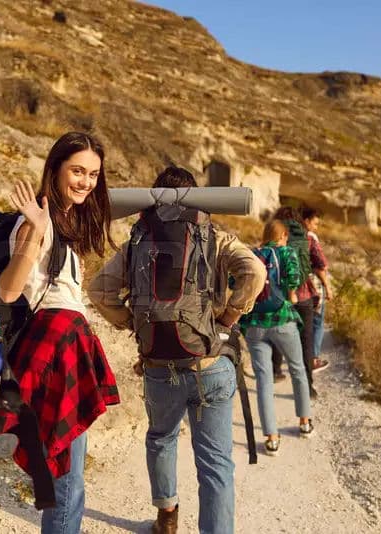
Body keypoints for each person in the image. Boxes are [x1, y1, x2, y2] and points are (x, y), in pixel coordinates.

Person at [89, 166, 266, 534]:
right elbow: (255, 272)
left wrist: (133, 323)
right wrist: (230, 315)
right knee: (215, 464)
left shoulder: (138, 241)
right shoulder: (214, 236)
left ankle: (167, 517)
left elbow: (99, 291)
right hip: (211, 363)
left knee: (161, 439)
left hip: (158, 366)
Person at [0, 131, 120, 534]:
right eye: (77, 170)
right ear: (54, 169)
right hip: (53, 350)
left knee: (67, 477)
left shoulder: (67, 221)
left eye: (93, 174)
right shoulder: (36, 220)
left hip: (65, 346)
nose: (85, 182)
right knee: (67, 481)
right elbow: (8, 289)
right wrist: (35, 231)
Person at [240, 220, 312, 456]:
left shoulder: (252, 254)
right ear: (281, 235)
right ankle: (304, 422)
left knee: (263, 379)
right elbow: (295, 276)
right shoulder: (286, 251)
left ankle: (271, 438)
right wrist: (290, 293)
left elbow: (235, 281)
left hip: (254, 325)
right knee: (297, 369)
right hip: (282, 320)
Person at [269, 206, 319, 396]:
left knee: (276, 333)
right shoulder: (307, 237)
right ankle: (307, 387)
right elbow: (320, 263)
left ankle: (275, 370)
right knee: (306, 341)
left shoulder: (274, 235)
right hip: (304, 295)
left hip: (280, 295)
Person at [301, 205, 332, 367]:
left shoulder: (292, 236)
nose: (316, 227)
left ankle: (302, 356)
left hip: (297, 287)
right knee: (318, 323)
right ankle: (313, 359)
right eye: (315, 223)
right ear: (306, 221)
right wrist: (328, 287)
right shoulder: (311, 237)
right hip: (313, 286)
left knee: (304, 322)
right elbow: (321, 266)